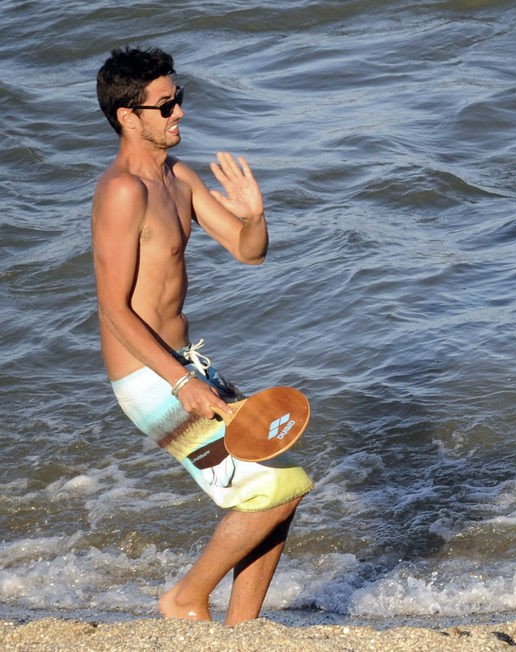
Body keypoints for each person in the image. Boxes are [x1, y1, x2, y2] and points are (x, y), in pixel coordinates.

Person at [92, 46, 313, 626]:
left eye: (178, 99)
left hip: (183, 366)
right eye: (165, 106)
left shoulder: (177, 177)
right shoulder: (122, 192)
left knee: (277, 487)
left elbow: (249, 252)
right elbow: (115, 310)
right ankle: (185, 599)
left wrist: (255, 214)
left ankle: (244, 630)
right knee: (278, 488)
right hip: (150, 377)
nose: (179, 114)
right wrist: (180, 381)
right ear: (128, 117)